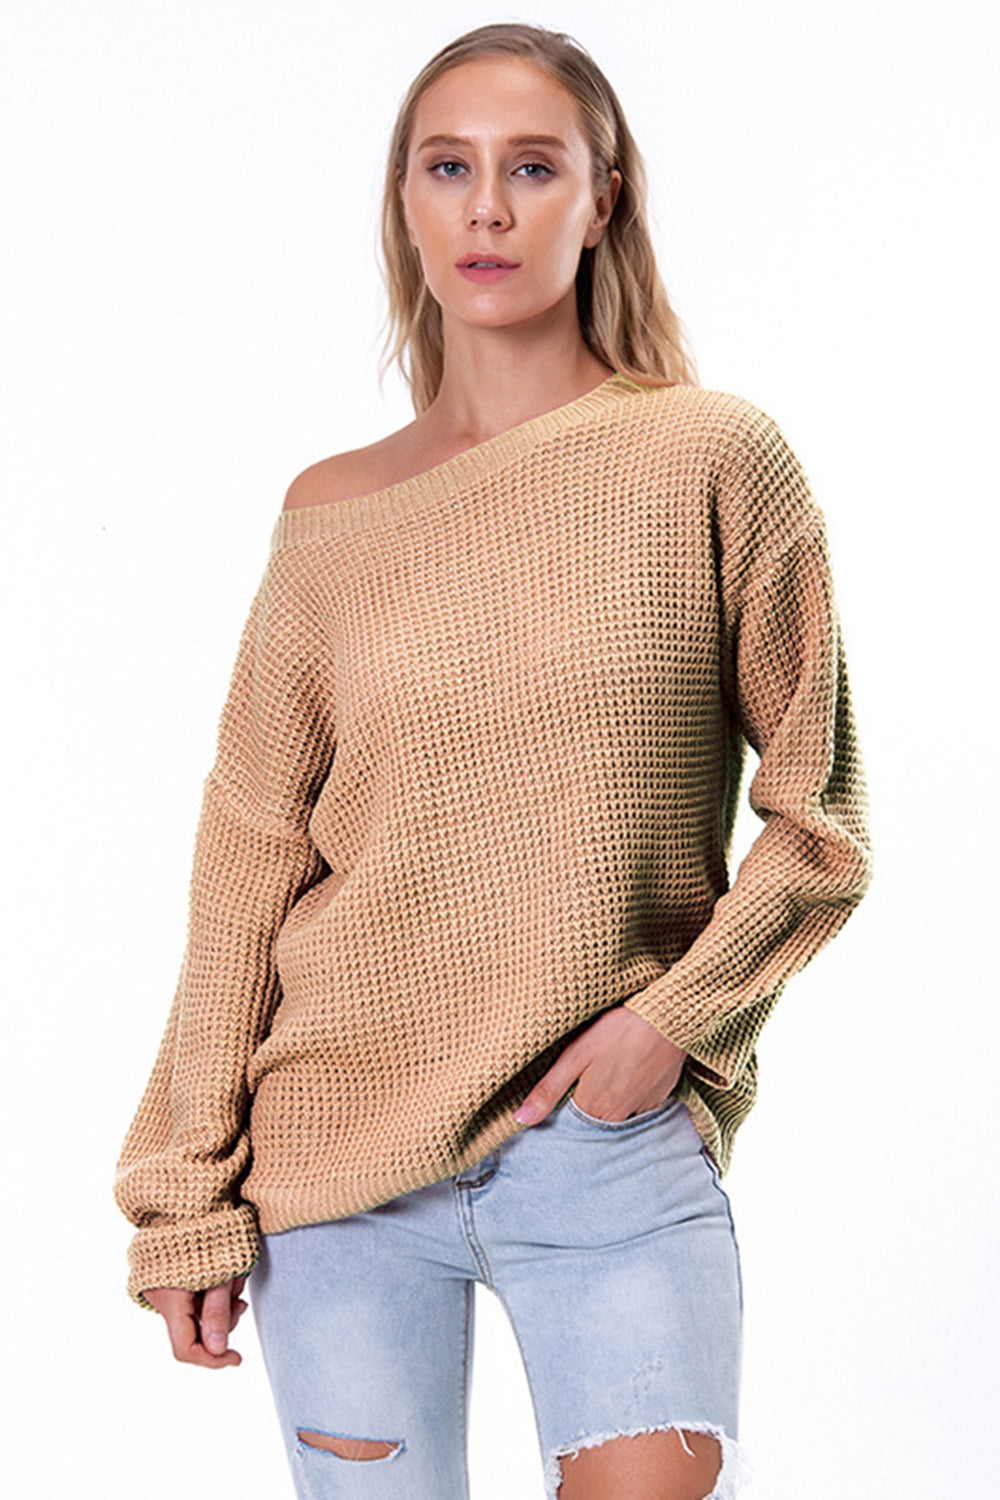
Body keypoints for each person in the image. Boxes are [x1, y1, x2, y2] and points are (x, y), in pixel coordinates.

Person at [113, 21, 873, 1500]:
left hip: (601, 1140)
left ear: (603, 199)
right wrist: (182, 1193)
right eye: (447, 167)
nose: (488, 209)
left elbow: (820, 814)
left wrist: (672, 1022)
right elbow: (249, 863)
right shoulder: (329, 517)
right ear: (404, 200)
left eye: (533, 168)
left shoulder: (713, 457)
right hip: (334, 1160)